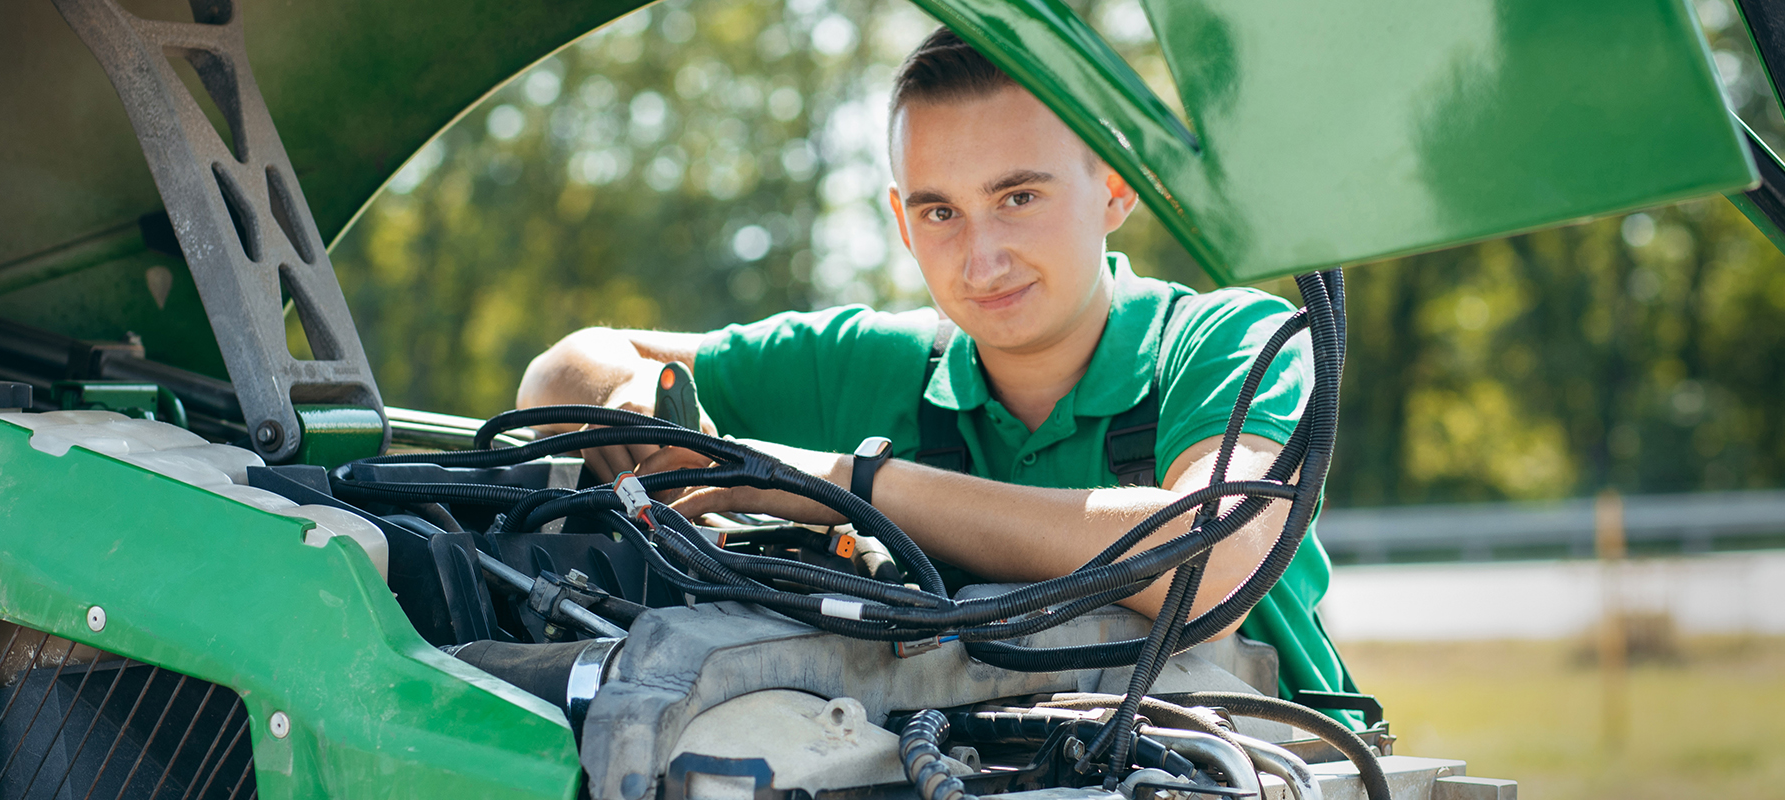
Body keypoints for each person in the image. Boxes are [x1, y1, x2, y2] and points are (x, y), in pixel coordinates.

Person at [518, 27, 1355, 712]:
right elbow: (564, 368)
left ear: (1117, 185)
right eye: (940, 211)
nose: (982, 258)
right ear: (901, 219)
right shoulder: (876, 361)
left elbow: (1213, 559)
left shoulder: (1230, 339)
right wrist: (622, 402)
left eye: (1018, 197)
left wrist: (840, 482)